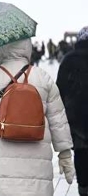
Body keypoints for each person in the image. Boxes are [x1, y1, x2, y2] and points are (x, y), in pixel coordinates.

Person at [0, 39, 75, 196]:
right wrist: (64, 153)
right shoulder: (43, 77)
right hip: (36, 164)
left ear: (0, 48)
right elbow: (58, 118)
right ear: (27, 47)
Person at [57, 26, 88, 196]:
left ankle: (83, 188)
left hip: (77, 122)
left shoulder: (69, 60)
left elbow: (59, 91)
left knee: (82, 158)